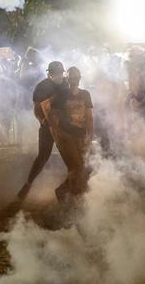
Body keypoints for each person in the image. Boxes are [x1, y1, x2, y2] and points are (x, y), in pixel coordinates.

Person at [17, 61, 68, 202]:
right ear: (49, 74)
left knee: (69, 155)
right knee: (43, 156)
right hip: (47, 126)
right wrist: (43, 121)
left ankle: (66, 187)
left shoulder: (66, 83)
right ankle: (28, 184)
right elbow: (36, 108)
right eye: (56, 73)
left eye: (61, 73)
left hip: (63, 125)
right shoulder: (42, 87)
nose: (59, 76)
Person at [48, 67, 94, 201]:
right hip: (67, 137)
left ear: (80, 78)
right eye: (71, 77)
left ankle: (63, 190)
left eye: (76, 77)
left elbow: (90, 117)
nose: (74, 80)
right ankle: (75, 197)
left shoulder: (85, 94)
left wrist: (89, 136)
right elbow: (51, 116)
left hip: (81, 135)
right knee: (77, 166)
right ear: (67, 79)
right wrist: (59, 132)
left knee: (80, 167)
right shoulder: (61, 95)